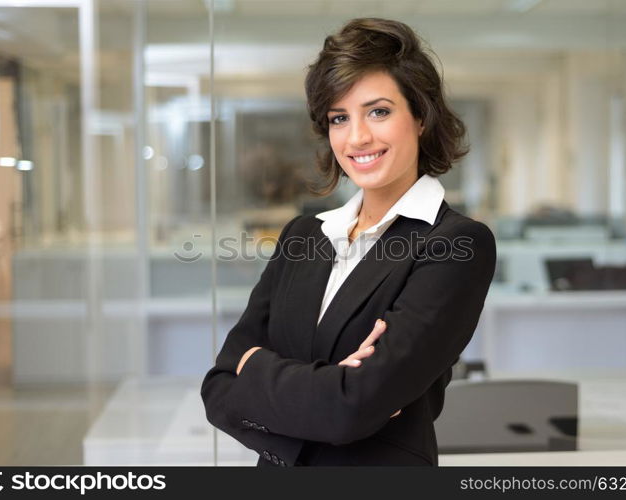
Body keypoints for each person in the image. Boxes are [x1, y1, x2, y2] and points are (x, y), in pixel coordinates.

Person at [201, 17, 496, 466]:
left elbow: (350, 408)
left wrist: (258, 370)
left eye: (378, 111)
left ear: (420, 116)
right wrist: (330, 387)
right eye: (339, 118)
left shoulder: (455, 245)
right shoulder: (305, 236)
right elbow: (219, 386)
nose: (357, 137)